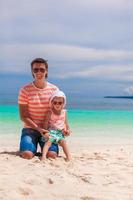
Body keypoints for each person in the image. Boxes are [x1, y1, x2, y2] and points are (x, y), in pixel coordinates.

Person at [18, 58, 59, 159]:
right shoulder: (25, 90)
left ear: (46, 71)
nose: (39, 72)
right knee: (27, 155)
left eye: (42, 69)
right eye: (36, 70)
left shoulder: (54, 90)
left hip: (48, 130)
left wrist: (62, 129)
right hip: (30, 129)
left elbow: (58, 113)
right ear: (32, 72)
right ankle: (30, 147)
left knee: (52, 155)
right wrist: (38, 129)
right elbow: (23, 116)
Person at [41, 90, 71, 161]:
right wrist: (45, 132)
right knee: (48, 142)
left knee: (64, 142)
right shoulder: (50, 112)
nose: (57, 105)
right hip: (51, 132)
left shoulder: (64, 112)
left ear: (63, 103)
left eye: (60, 103)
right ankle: (43, 156)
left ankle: (69, 157)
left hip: (60, 133)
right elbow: (45, 123)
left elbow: (66, 123)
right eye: (55, 103)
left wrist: (68, 130)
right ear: (52, 103)